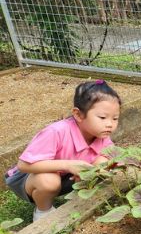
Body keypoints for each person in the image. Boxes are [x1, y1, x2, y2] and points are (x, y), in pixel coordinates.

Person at [5, 80, 121, 222]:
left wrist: (92, 172)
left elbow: (112, 159)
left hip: (66, 175)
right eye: (102, 117)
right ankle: (43, 212)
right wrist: (68, 165)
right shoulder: (57, 131)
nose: (110, 124)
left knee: (104, 162)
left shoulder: (102, 136)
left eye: (115, 118)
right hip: (30, 176)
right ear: (78, 114)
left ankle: (81, 201)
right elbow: (24, 165)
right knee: (49, 181)